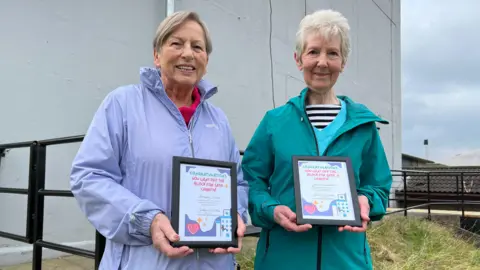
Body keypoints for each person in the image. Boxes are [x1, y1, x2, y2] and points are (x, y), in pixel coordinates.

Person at [70, 11, 248, 270]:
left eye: (197, 47)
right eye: (177, 43)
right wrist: (147, 220)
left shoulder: (218, 120)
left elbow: (239, 183)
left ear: (206, 60)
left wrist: (236, 215)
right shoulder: (123, 104)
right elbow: (88, 176)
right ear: (157, 55)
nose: (188, 53)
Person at [241, 9, 392, 270]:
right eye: (313, 52)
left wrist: (367, 200)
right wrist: (272, 209)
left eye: (332, 53)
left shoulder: (364, 128)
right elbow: (251, 181)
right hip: (282, 259)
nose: (322, 62)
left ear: (343, 62)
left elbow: (378, 187)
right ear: (298, 59)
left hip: (346, 261)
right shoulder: (274, 122)